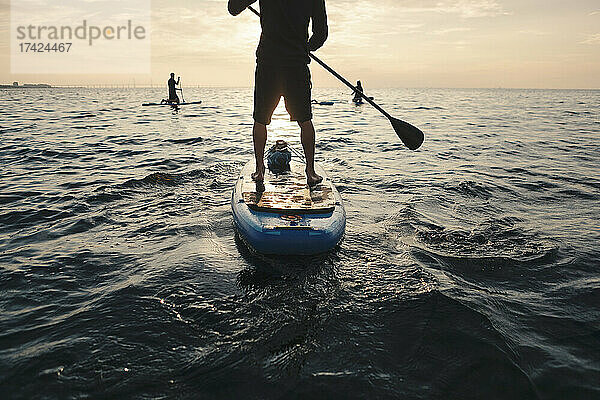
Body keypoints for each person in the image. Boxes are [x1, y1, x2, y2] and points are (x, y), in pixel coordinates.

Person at [228, 0, 328, 187]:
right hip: (296, 64)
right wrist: (307, 47)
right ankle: (310, 171)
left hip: (269, 63)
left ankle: (259, 170)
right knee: (305, 120)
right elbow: (321, 34)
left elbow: (233, 8)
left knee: (260, 119)